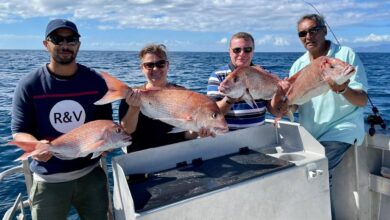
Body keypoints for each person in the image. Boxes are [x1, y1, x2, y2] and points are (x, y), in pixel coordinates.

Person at [11, 19, 112, 219]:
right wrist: (36, 146)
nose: (65, 45)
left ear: (79, 45)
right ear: (46, 44)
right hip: (49, 181)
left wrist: (107, 143)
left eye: (71, 40)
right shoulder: (29, 85)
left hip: (91, 176)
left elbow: (105, 124)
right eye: (58, 39)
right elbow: (20, 130)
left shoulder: (96, 82)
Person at [289, 14, 368, 218]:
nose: (308, 36)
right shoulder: (298, 66)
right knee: (293, 173)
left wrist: (343, 90)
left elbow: (362, 100)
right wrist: (282, 105)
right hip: (312, 136)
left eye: (313, 30)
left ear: (324, 30)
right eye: (302, 33)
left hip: (341, 130)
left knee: (316, 174)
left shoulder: (345, 55)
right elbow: (295, 105)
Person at [119, 44, 213, 153]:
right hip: (143, 159)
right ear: (142, 68)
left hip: (178, 156)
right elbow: (126, 132)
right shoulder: (132, 95)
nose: (155, 68)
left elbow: (187, 135)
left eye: (161, 64)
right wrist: (133, 108)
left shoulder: (182, 93)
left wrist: (197, 131)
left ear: (167, 65)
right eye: (149, 65)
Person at [207, 32, 284, 130]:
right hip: (226, 138)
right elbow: (211, 114)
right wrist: (229, 99)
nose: (242, 54)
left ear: (253, 51)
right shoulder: (217, 76)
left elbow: (274, 111)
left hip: (258, 137)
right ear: (229, 51)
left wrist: (281, 94)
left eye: (247, 50)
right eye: (236, 50)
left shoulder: (264, 74)